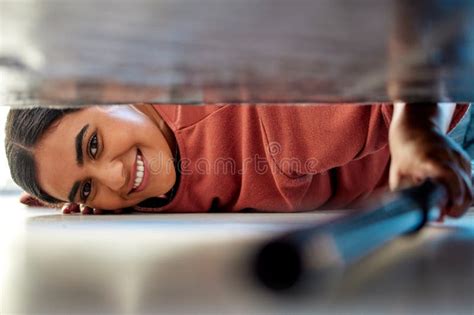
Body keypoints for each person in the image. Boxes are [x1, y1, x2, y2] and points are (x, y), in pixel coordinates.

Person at [5, 103, 473, 217]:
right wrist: (63, 185)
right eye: (86, 187)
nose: (115, 176)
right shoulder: (130, 189)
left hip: (453, 128)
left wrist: (421, 127)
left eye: (92, 145)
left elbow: (427, 51)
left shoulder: (271, 122)